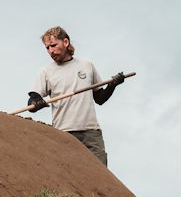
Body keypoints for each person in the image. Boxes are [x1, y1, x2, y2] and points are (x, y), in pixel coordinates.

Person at [27, 26, 125, 166]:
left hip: (91, 133)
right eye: (47, 48)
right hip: (64, 133)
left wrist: (112, 85)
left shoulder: (87, 65)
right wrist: (36, 102)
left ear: (65, 42)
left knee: (100, 176)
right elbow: (32, 100)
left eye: (53, 45)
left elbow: (100, 98)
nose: (50, 51)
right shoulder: (46, 72)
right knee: (67, 176)